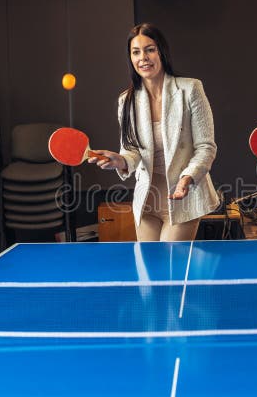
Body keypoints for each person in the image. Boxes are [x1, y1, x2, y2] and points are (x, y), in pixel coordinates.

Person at [88, 23, 220, 241]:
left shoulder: (190, 89)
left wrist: (187, 178)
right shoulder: (126, 101)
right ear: (130, 58)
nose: (143, 58)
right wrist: (119, 160)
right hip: (147, 200)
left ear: (161, 52)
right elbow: (132, 151)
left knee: (171, 270)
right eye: (136, 52)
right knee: (150, 270)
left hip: (182, 198)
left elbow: (206, 147)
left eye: (150, 49)